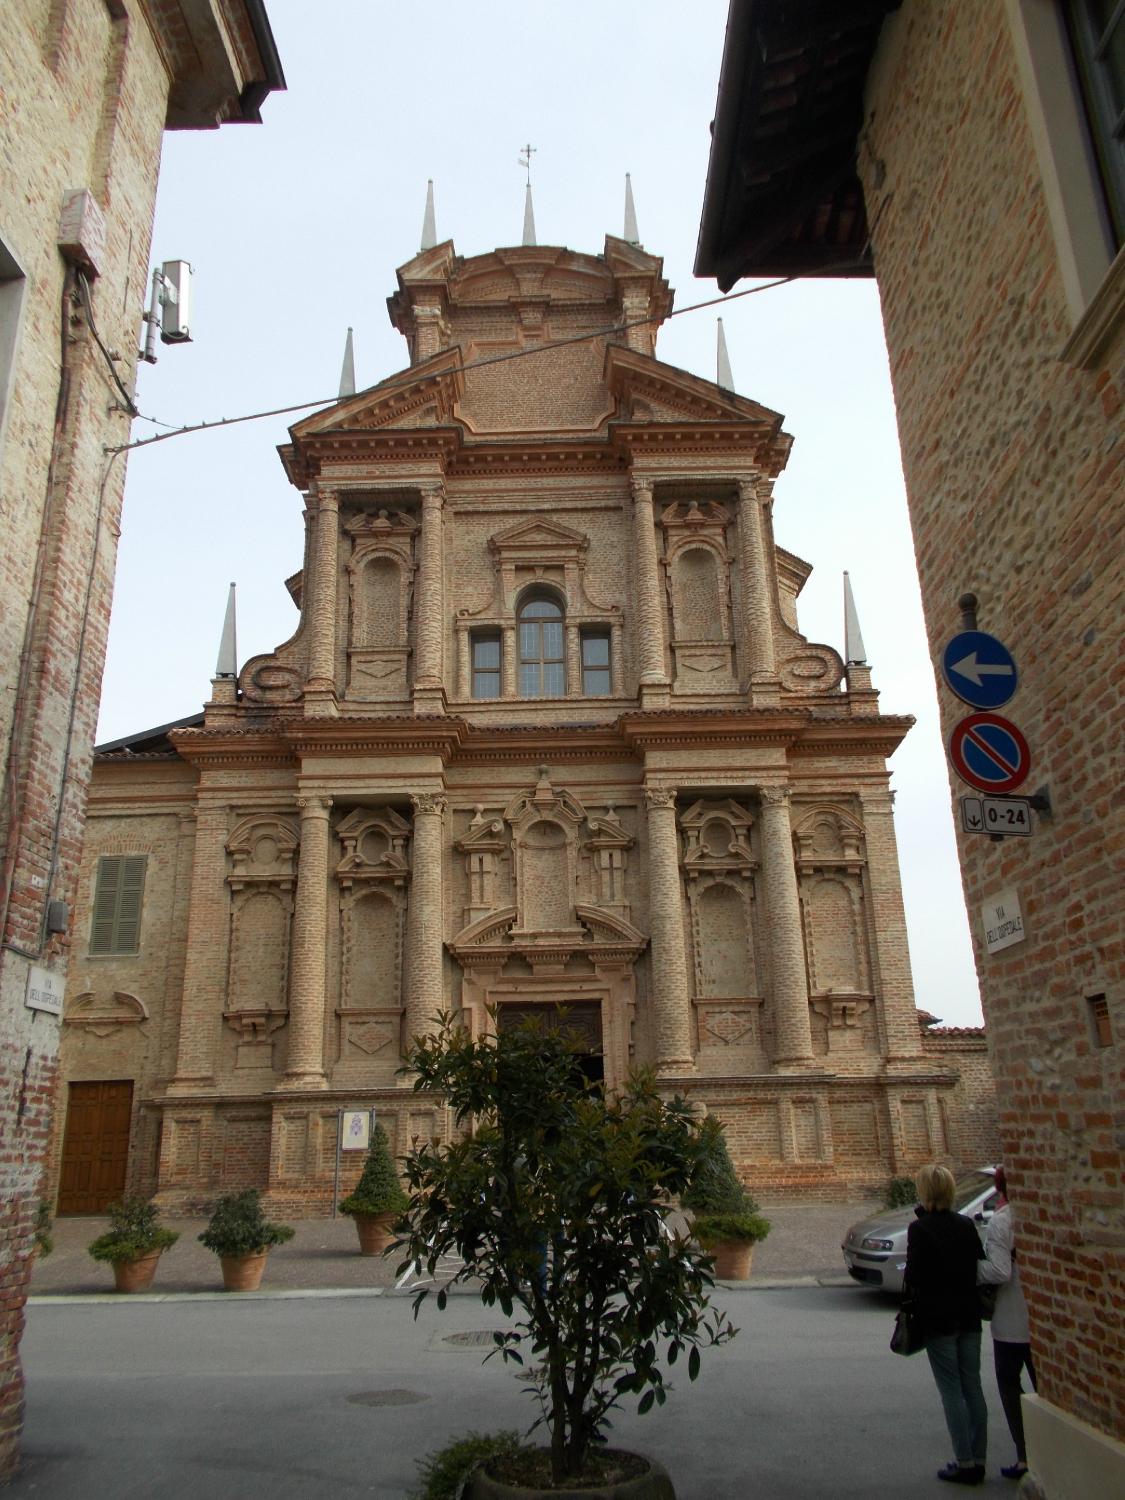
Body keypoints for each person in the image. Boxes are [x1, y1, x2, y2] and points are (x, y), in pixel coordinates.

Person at [905, 1163, 988, 1485]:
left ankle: (964, 1461)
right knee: (973, 1387)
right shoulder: (967, 1225)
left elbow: (913, 1277)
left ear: (924, 1193)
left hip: (939, 1320)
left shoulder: (920, 1229)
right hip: (969, 1316)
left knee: (951, 1391)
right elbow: (978, 1267)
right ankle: (979, 1459)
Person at [978, 1166, 1037, 1480]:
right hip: (1042, 1323)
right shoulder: (1042, 1213)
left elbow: (1000, 1271)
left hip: (1011, 1322)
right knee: (1045, 1387)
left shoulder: (1001, 1221)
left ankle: (1026, 1455)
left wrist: (972, 1270)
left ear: (1000, 1188)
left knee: (1010, 1386)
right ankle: (1047, 1450)